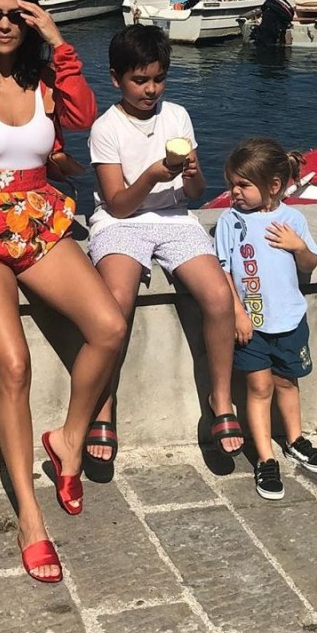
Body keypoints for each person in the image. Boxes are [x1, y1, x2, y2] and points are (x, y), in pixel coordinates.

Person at [0, 0, 126, 584]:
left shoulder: (46, 82)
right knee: (12, 365)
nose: (6, 24)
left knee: (108, 327)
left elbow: (87, 116)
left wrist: (60, 41)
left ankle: (69, 438)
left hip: (41, 217)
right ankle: (30, 518)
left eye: (18, 13)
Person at [84, 24, 242, 466]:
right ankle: (104, 403)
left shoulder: (177, 117)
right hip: (123, 222)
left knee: (216, 295)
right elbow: (116, 205)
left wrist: (192, 176)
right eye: (140, 80)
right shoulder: (106, 128)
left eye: (158, 78)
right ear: (116, 79)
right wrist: (152, 175)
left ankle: (221, 399)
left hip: (174, 218)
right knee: (117, 302)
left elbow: (195, 195)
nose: (150, 89)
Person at [215, 137, 317, 501]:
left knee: (287, 383)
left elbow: (310, 262)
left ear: (274, 186)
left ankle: (295, 439)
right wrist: (237, 313)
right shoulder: (229, 222)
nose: (234, 191)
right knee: (258, 388)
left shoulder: (292, 219)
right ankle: (265, 457)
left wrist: (299, 247)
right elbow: (224, 272)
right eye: (232, 183)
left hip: (290, 321)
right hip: (252, 325)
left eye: (243, 185)